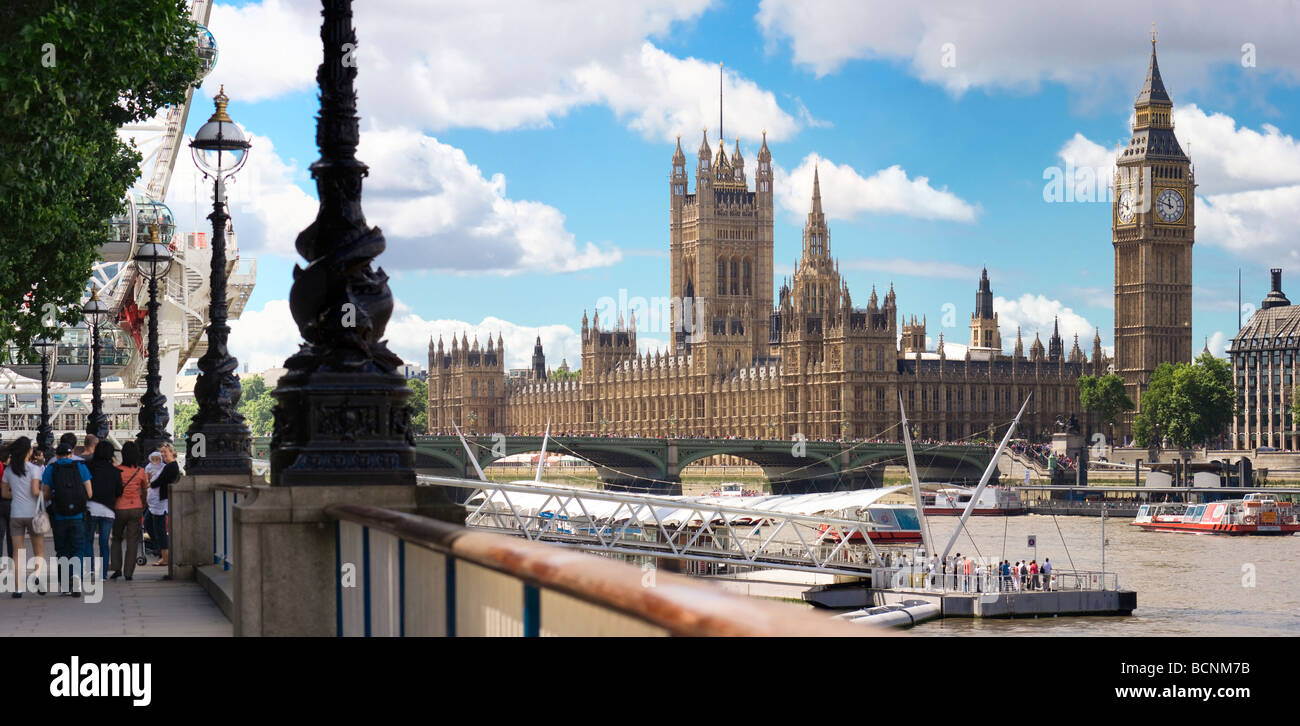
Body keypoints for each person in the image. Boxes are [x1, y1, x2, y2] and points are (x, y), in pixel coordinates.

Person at [42, 439, 92, 596]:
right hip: (78, 515)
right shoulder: (81, 466)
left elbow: (45, 493)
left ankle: (65, 584)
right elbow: (89, 493)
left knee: (62, 550)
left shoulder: (51, 469)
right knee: (78, 549)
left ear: (57, 456)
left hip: (59, 516)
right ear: (71, 454)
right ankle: (76, 577)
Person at [2, 437, 47, 597]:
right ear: (28, 451)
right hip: (33, 514)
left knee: (17, 552)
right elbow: (35, 492)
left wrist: (16, 494)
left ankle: (18, 589)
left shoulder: (8, 470)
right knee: (39, 551)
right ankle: (37, 578)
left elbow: (4, 493)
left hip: (16, 514)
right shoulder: (34, 469)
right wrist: (44, 493)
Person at [110, 442, 148, 581]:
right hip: (136, 507)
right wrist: (142, 504)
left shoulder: (116, 470)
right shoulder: (140, 472)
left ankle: (116, 568)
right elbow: (145, 490)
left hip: (119, 507)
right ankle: (129, 572)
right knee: (132, 541)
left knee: (116, 538)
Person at [85, 441, 122, 578]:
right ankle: (103, 574)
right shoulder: (115, 471)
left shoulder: (88, 467)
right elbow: (119, 491)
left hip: (91, 508)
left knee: (88, 540)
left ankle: (90, 570)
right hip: (108, 510)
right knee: (104, 542)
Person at [148, 443, 181, 569]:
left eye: (165, 452)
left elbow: (159, 482)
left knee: (159, 528)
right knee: (150, 523)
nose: (162, 454)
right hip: (157, 501)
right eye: (161, 452)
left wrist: (150, 484)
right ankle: (162, 551)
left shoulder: (171, 467)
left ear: (172, 452)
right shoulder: (167, 466)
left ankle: (165, 556)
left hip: (161, 502)